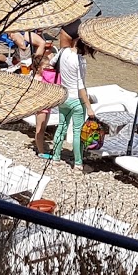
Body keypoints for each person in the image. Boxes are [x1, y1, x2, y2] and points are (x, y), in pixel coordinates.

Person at [41, 21, 94, 171]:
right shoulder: (81, 61)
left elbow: (50, 64)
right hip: (76, 101)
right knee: (77, 133)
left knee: (61, 128)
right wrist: (89, 107)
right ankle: (78, 164)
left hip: (63, 98)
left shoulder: (62, 52)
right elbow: (81, 86)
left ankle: (56, 159)